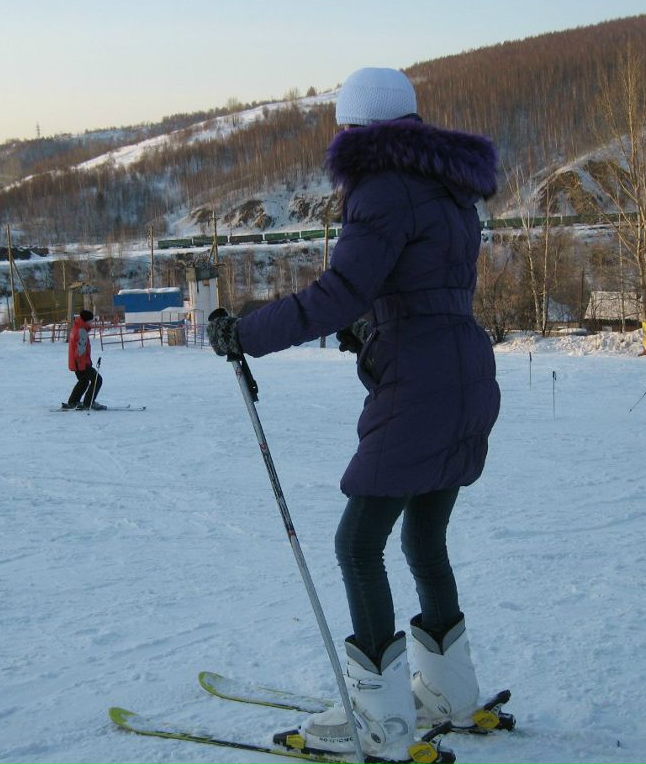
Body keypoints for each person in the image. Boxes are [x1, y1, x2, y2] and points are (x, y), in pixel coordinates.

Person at [208, 67, 500, 762]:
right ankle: (450, 694)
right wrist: (375, 327)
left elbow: (340, 291)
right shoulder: (449, 188)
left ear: (353, 127)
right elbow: (423, 287)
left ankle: (381, 721)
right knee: (424, 538)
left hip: (419, 385)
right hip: (465, 372)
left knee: (357, 544)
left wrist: (246, 332)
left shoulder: (381, 187)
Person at [62, 309, 106, 410]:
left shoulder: (76, 328)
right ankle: (88, 403)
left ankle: (73, 401)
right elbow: (80, 350)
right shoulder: (81, 331)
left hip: (76, 363)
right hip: (81, 363)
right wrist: (84, 364)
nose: (92, 323)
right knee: (97, 380)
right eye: (91, 320)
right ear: (87, 320)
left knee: (84, 381)